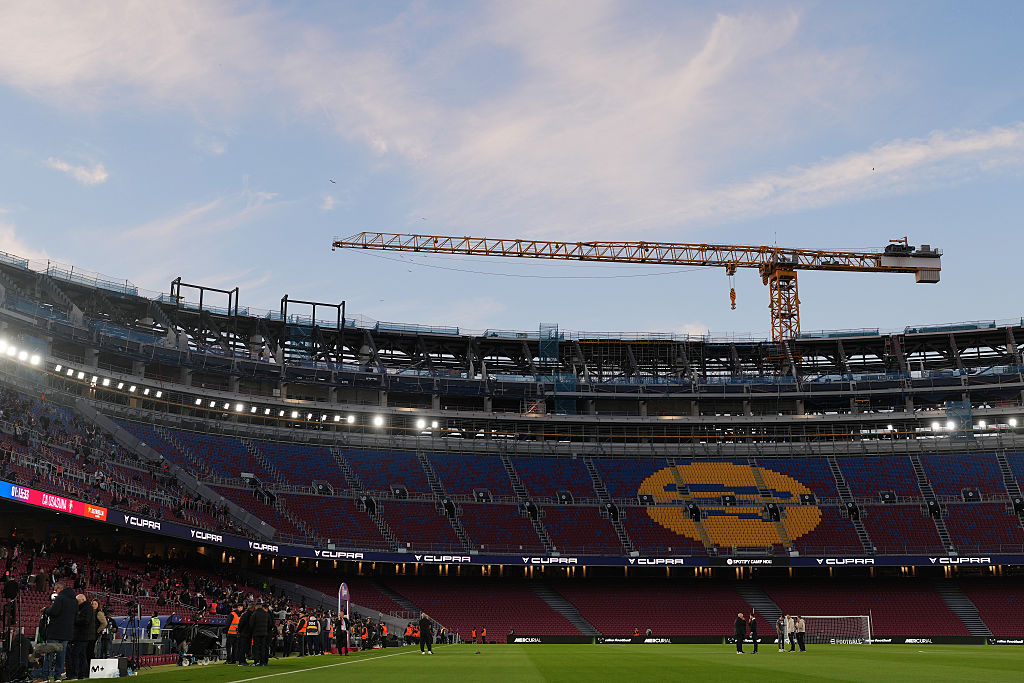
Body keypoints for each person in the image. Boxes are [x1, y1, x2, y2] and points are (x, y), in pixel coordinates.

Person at [40, 582, 76, 681]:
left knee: (49, 654)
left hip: (56, 631)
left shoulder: (60, 598)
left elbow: (54, 612)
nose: (55, 592)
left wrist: (46, 609)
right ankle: (58, 677)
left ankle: (44, 677)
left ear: (60, 588)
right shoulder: (74, 600)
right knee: (61, 655)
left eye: (56, 590)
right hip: (67, 632)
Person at [68, 594, 95, 679]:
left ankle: (75, 674)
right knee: (82, 655)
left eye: (78, 601)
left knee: (75, 653)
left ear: (83, 600)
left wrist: (74, 620)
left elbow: (85, 621)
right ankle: (81, 674)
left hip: (83, 635)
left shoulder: (87, 608)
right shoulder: (85, 608)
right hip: (83, 635)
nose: (77, 603)